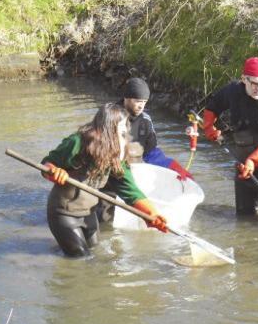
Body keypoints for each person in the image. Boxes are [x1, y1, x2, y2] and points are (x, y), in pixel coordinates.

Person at [41, 103, 168, 257]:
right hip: (64, 213)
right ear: (108, 132)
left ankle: (61, 247)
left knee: (95, 253)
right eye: (122, 133)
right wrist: (55, 171)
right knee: (81, 260)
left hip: (89, 213)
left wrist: (152, 214)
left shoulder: (116, 158)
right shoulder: (78, 143)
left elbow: (131, 191)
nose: (125, 139)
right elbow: (46, 164)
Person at [202, 57, 258, 227]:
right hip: (243, 169)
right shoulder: (233, 92)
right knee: (244, 222)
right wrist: (208, 126)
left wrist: (254, 159)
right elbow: (213, 105)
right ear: (244, 79)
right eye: (254, 83)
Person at [98, 77, 192, 223]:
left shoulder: (145, 121)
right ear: (126, 98)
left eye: (144, 102)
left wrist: (175, 168)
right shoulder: (109, 115)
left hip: (130, 175)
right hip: (108, 176)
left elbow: (152, 154)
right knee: (104, 220)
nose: (141, 106)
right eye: (137, 101)